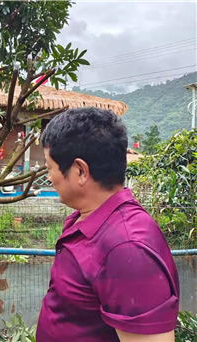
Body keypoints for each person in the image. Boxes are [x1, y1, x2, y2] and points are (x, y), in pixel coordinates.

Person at [36, 108, 179, 342]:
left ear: (80, 171)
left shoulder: (127, 247)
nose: (49, 177)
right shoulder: (84, 220)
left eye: (50, 168)